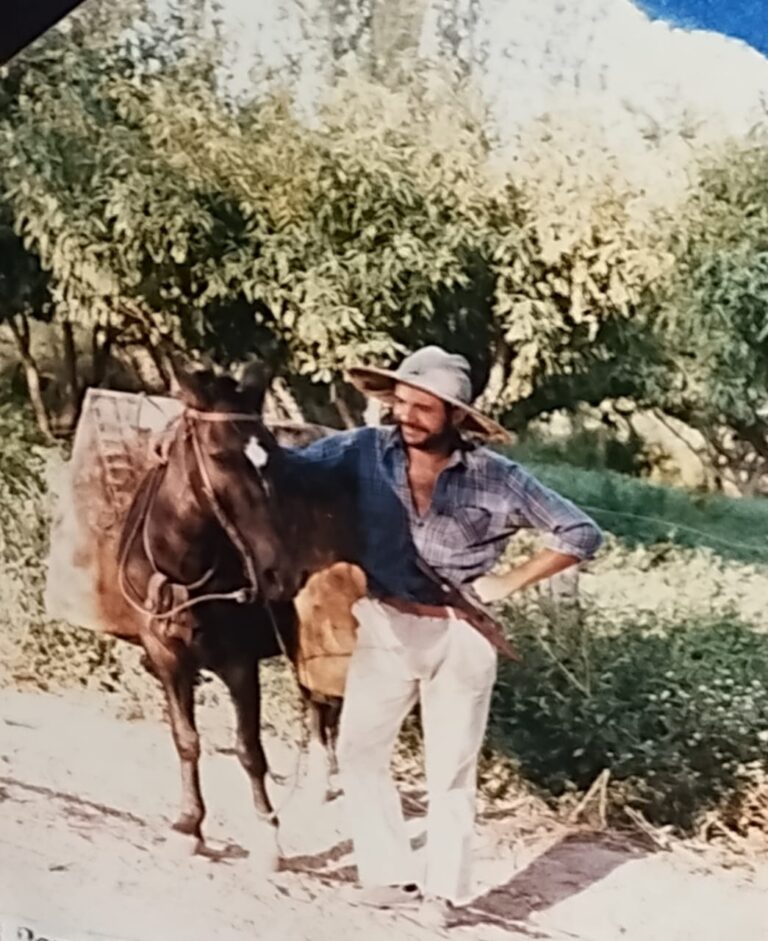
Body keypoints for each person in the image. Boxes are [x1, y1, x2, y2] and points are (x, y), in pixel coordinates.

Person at [284, 346, 602, 923]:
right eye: (401, 402)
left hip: (462, 635)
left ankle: (443, 895)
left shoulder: (498, 477)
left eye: (423, 408)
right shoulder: (361, 450)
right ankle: (388, 877)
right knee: (358, 750)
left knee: (449, 770)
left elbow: (580, 531)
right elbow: (291, 468)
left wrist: (509, 580)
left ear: (456, 415)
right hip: (384, 621)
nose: (406, 415)